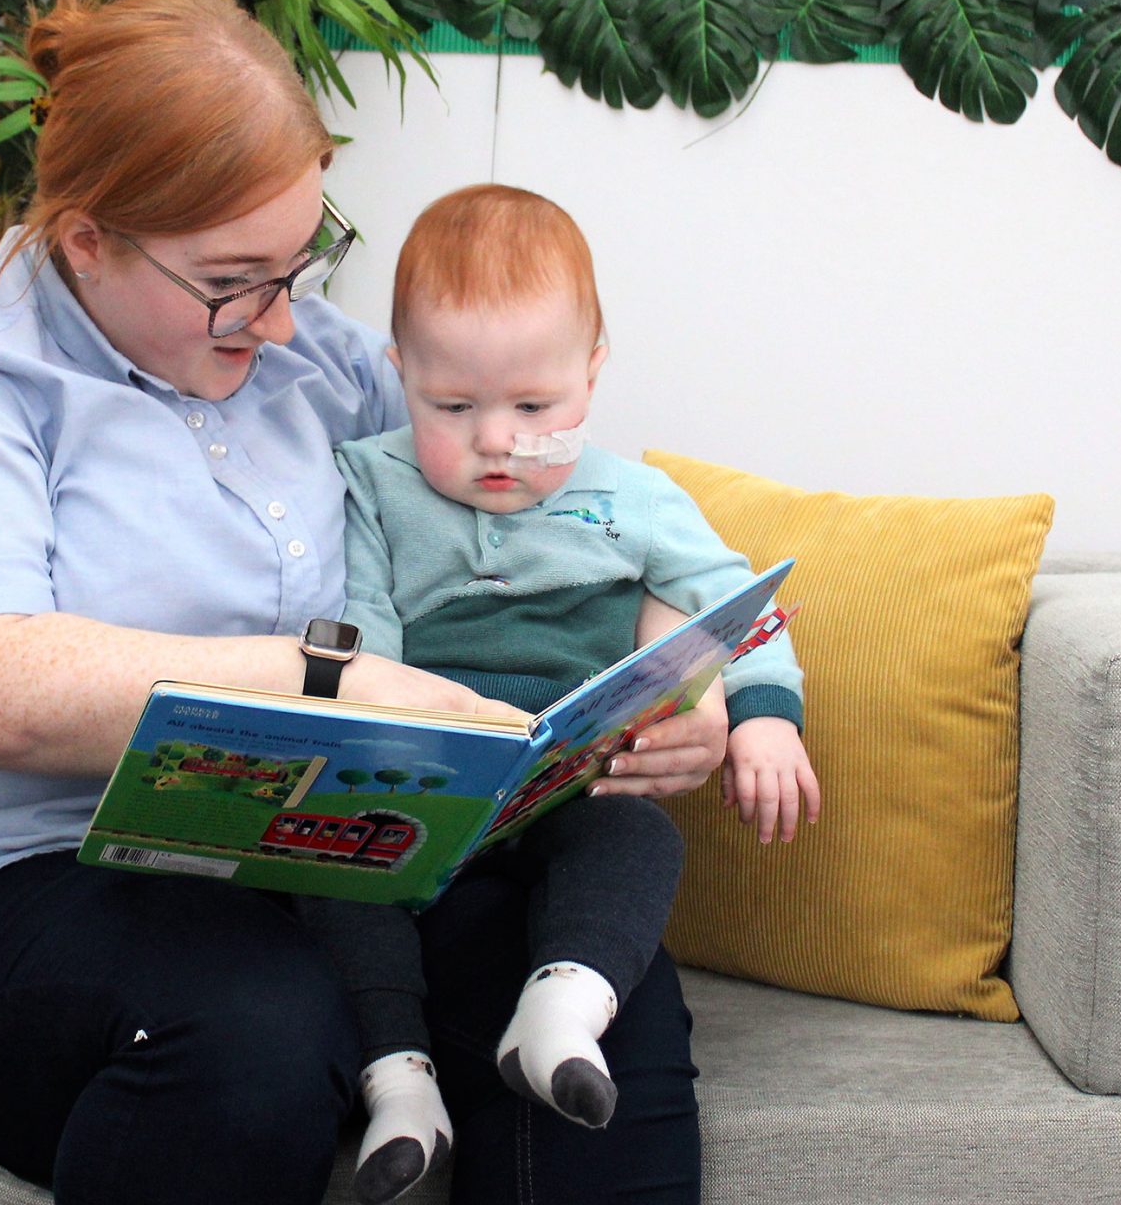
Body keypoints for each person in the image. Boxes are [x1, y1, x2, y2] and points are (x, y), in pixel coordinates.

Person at [0, 0, 730, 1205]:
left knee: (592, 996)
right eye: (236, 282)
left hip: (304, 858)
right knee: (259, 1031)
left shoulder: (324, 364)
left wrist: (667, 683)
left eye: (301, 261)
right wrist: (327, 680)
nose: (283, 323)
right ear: (85, 242)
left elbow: (528, 533)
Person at [299, 185, 821, 1205]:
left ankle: (564, 1009)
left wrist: (762, 715)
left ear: (590, 373)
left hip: (571, 768)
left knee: (638, 840)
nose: (496, 441)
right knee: (338, 871)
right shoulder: (370, 480)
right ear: (401, 376)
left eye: (533, 409)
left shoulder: (632, 499)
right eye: (451, 408)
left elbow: (740, 606)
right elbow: (364, 630)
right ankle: (399, 1086)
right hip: (427, 764)